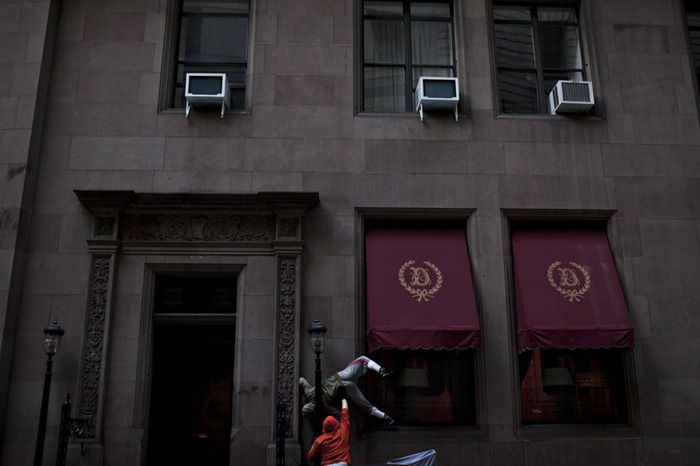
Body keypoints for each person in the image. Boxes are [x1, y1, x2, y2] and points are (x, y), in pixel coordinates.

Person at [300, 355, 395, 429]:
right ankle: (381, 370)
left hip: (344, 387)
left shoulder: (323, 406)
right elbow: (301, 380)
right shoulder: (310, 392)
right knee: (362, 360)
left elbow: (339, 414)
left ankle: (385, 417)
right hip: (340, 378)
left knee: (363, 405)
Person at [307, 398, 351, 466]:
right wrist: (344, 399)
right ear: (336, 424)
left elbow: (310, 457)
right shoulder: (343, 431)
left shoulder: (320, 440)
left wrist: (313, 445)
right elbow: (345, 414)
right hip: (342, 463)